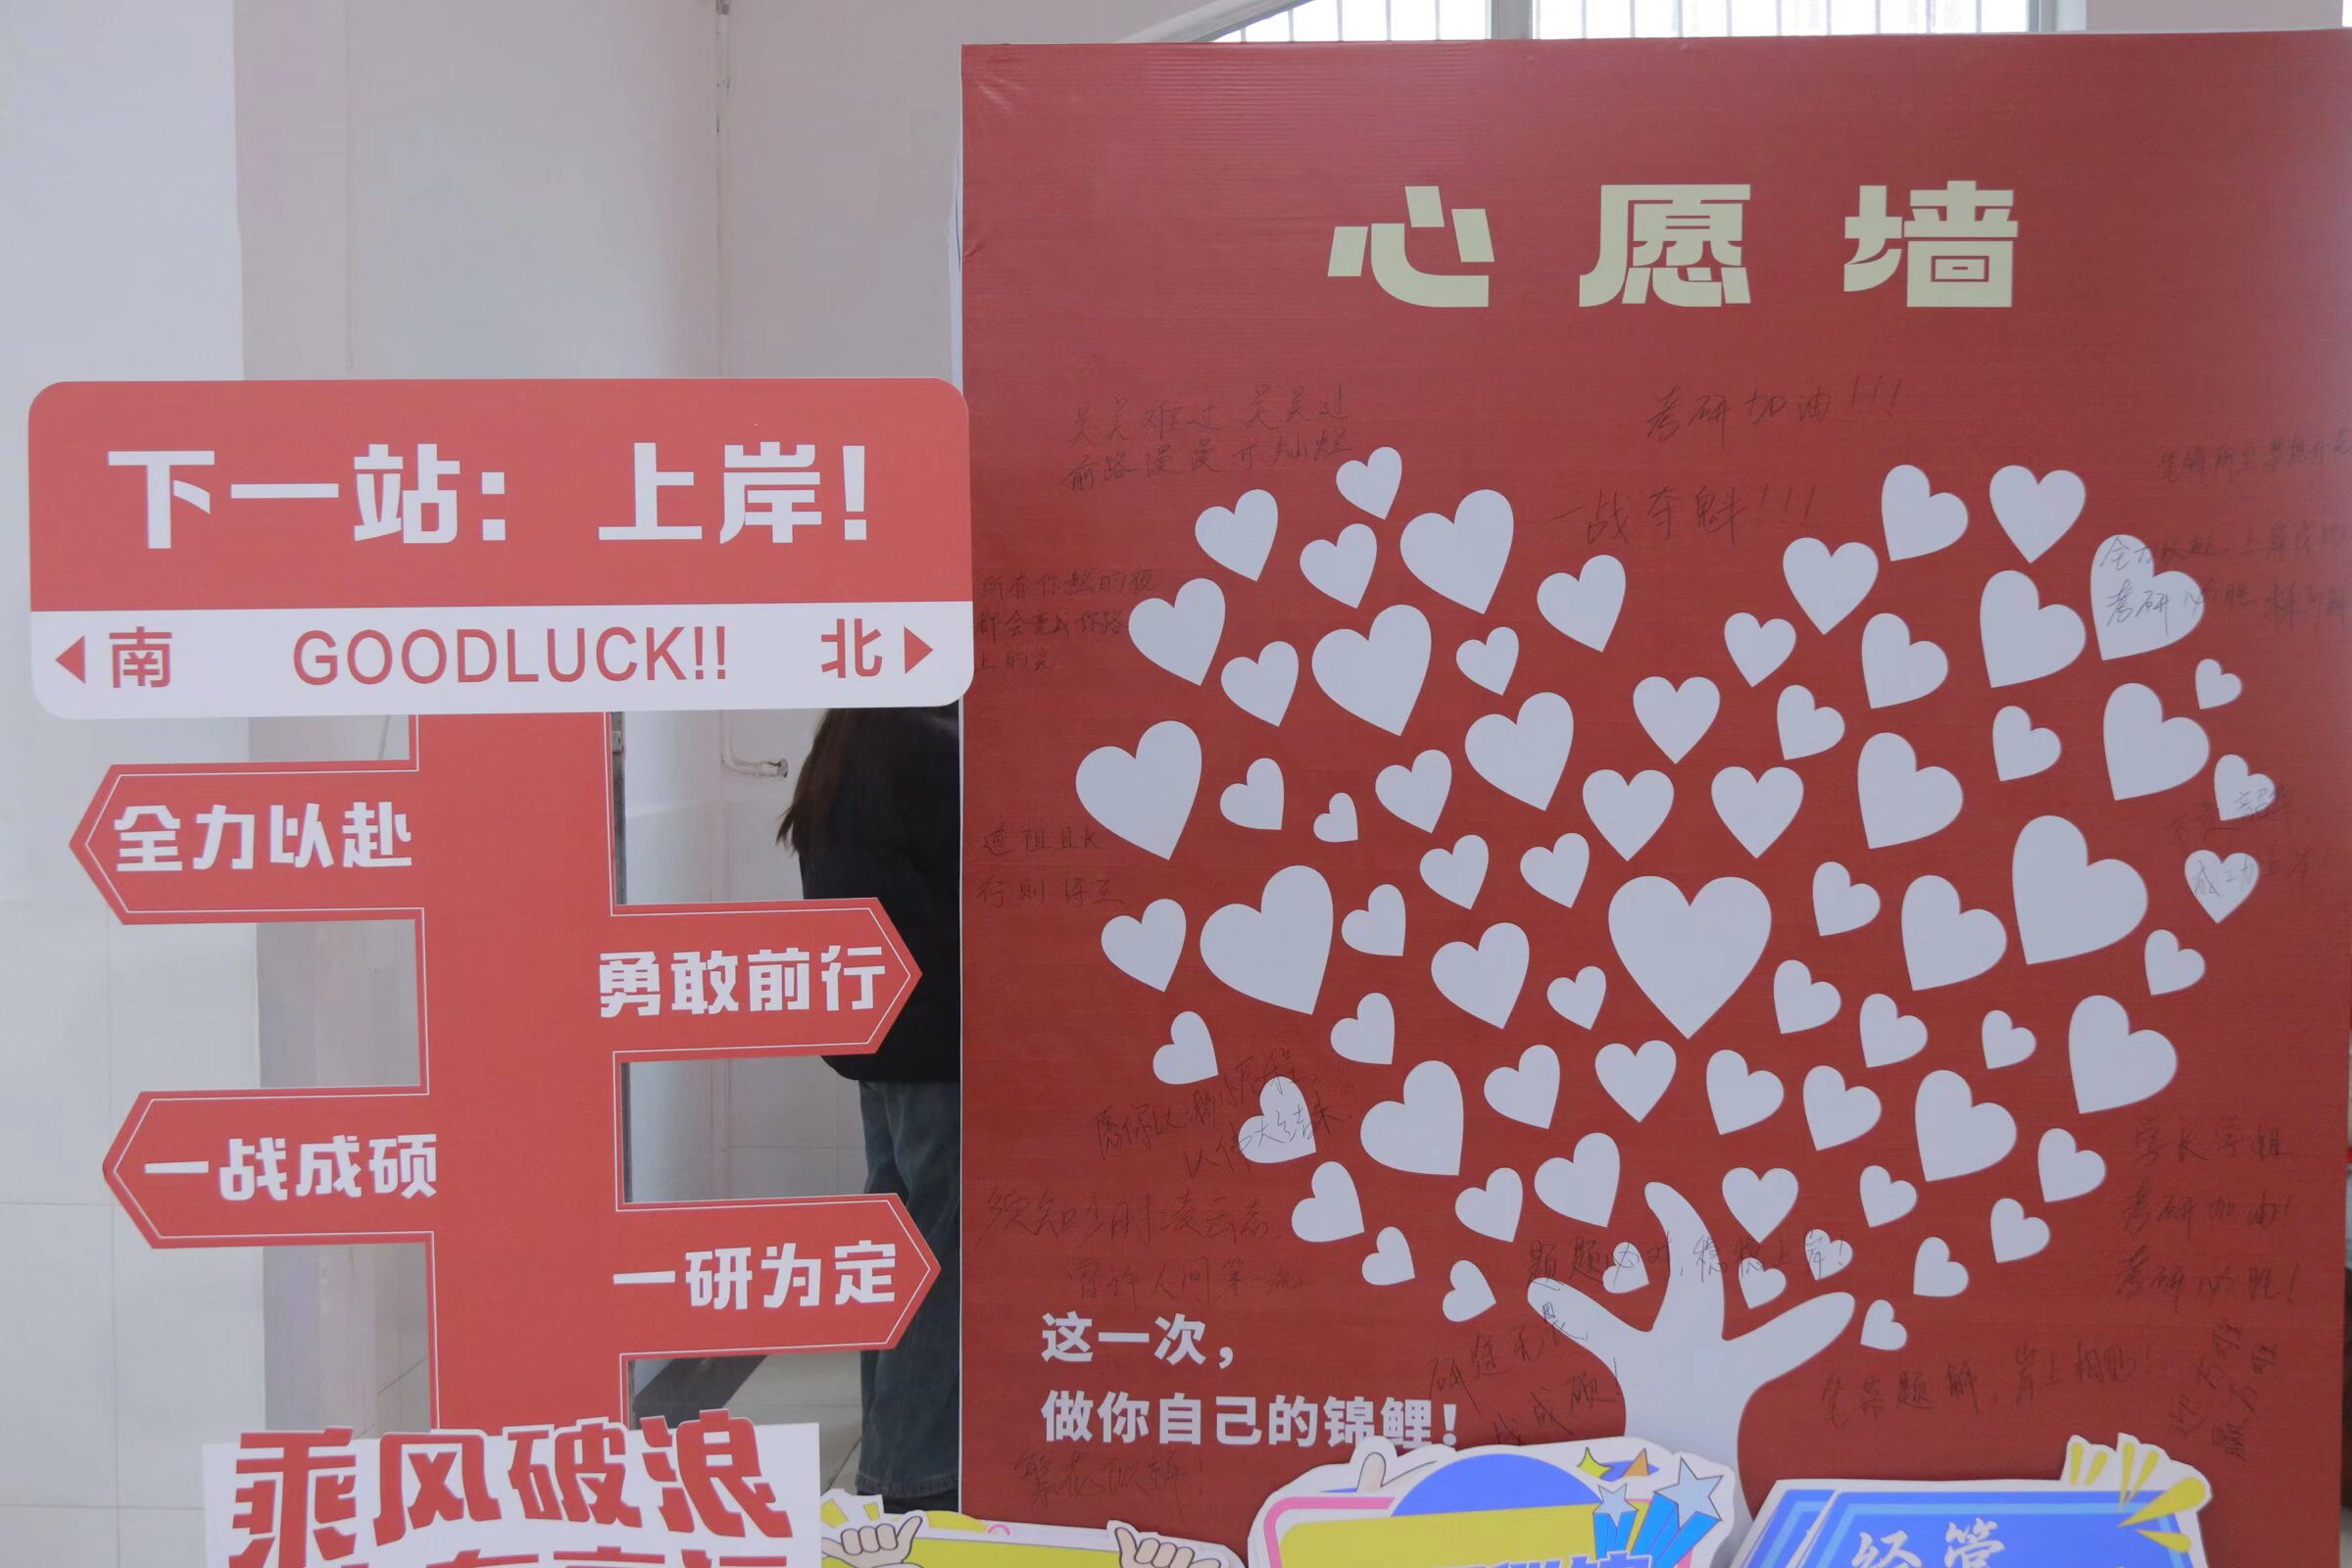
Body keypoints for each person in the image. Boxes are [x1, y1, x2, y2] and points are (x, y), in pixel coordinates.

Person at [779, 705, 959, 1514]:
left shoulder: (847, 750)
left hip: (878, 1036)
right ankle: (907, 1473)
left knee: (896, 1251)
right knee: (939, 1259)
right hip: (937, 1046)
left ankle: (890, 1452)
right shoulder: (925, 751)